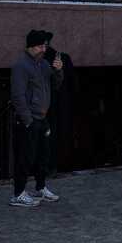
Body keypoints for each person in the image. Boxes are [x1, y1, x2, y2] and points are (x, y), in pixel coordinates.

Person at [10, 30, 64, 207]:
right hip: (30, 119)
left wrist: (58, 70)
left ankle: (40, 188)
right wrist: (27, 120)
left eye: (45, 45)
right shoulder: (21, 65)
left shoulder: (42, 64)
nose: (44, 49)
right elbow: (18, 95)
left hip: (41, 117)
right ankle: (18, 193)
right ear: (31, 46)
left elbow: (55, 85)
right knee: (25, 157)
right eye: (41, 46)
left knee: (43, 155)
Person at [44, 38, 76, 176]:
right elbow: (73, 85)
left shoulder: (43, 60)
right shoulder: (62, 57)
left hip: (48, 107)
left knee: (48, 137)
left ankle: (51, 166)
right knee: (60, 136)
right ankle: (59, 165)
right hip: (61, 106)